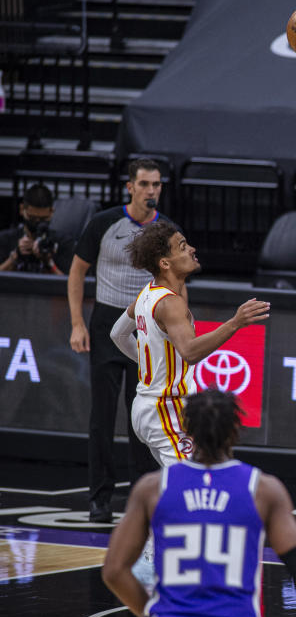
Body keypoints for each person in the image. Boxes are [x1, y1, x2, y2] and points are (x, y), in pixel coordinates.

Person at [102, 389, 296, 617]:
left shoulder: (153, 488)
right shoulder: (263, 490)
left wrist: (150, 612)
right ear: (235, 431)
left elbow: (114, 571)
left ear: (188, 430)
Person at [110, 221, 270, 467]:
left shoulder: (146, 294)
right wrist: (235, 323)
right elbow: (190, 352)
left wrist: (148, 366)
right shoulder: (170, 303)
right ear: (165, 263)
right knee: (195, 481)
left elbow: (117, 335)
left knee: (180, 484)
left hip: (149, 406)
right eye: (183, 247)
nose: (192, 249)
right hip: (166, 410)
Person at [69, 158, 173, 523]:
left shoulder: (167, 231)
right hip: (108, 318)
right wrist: (77, 322)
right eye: (145, 184)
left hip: (149, 324)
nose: (151, 191)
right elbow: (77, 271)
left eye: (157, 185)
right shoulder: (104, 223)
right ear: (130, 186)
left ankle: (142, 500)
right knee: (103, 414)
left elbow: (178, 283)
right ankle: (99, 499)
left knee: (142, 415)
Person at [0, 183, 65, 275]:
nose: (37, 224)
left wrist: (49, 263)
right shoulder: (4, 239)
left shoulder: (63, 242)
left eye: (43, 219)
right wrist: (15, 257)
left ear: (51, 212)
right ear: (22, 209)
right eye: (32, 218)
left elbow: (70, 285)